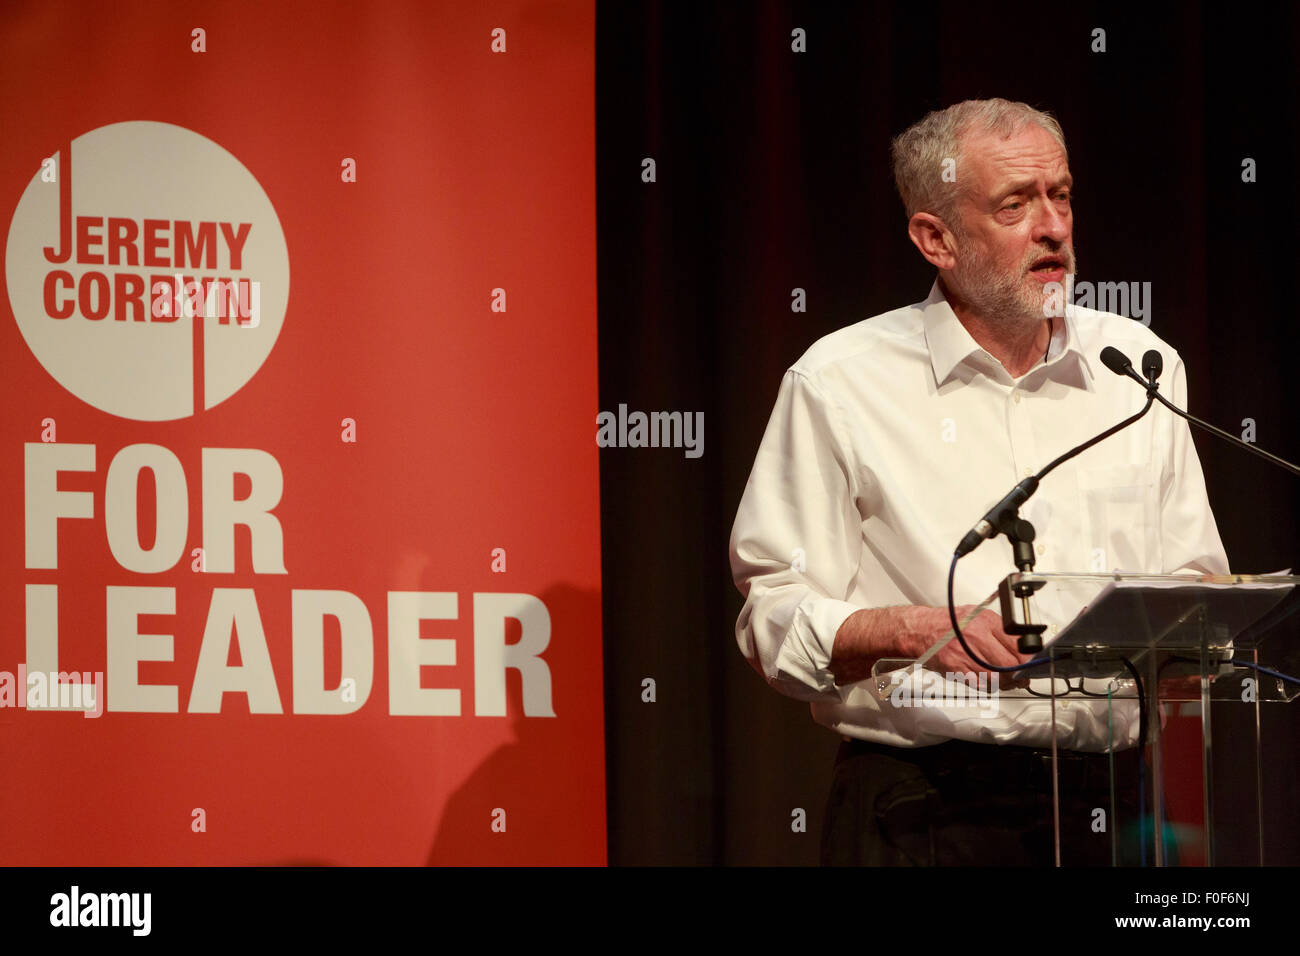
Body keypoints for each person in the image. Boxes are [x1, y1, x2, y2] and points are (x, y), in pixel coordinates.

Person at [728, 98, 1229, 866]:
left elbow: (1197, 580)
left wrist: (1202, 635)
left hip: (1114, 808)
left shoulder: (1139, 367)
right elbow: (773, 619)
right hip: (924, 810)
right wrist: (915, 631)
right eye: (1015, 205)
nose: (1053, 226)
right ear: (937, 239)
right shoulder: (841, 381)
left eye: (1060, 195)